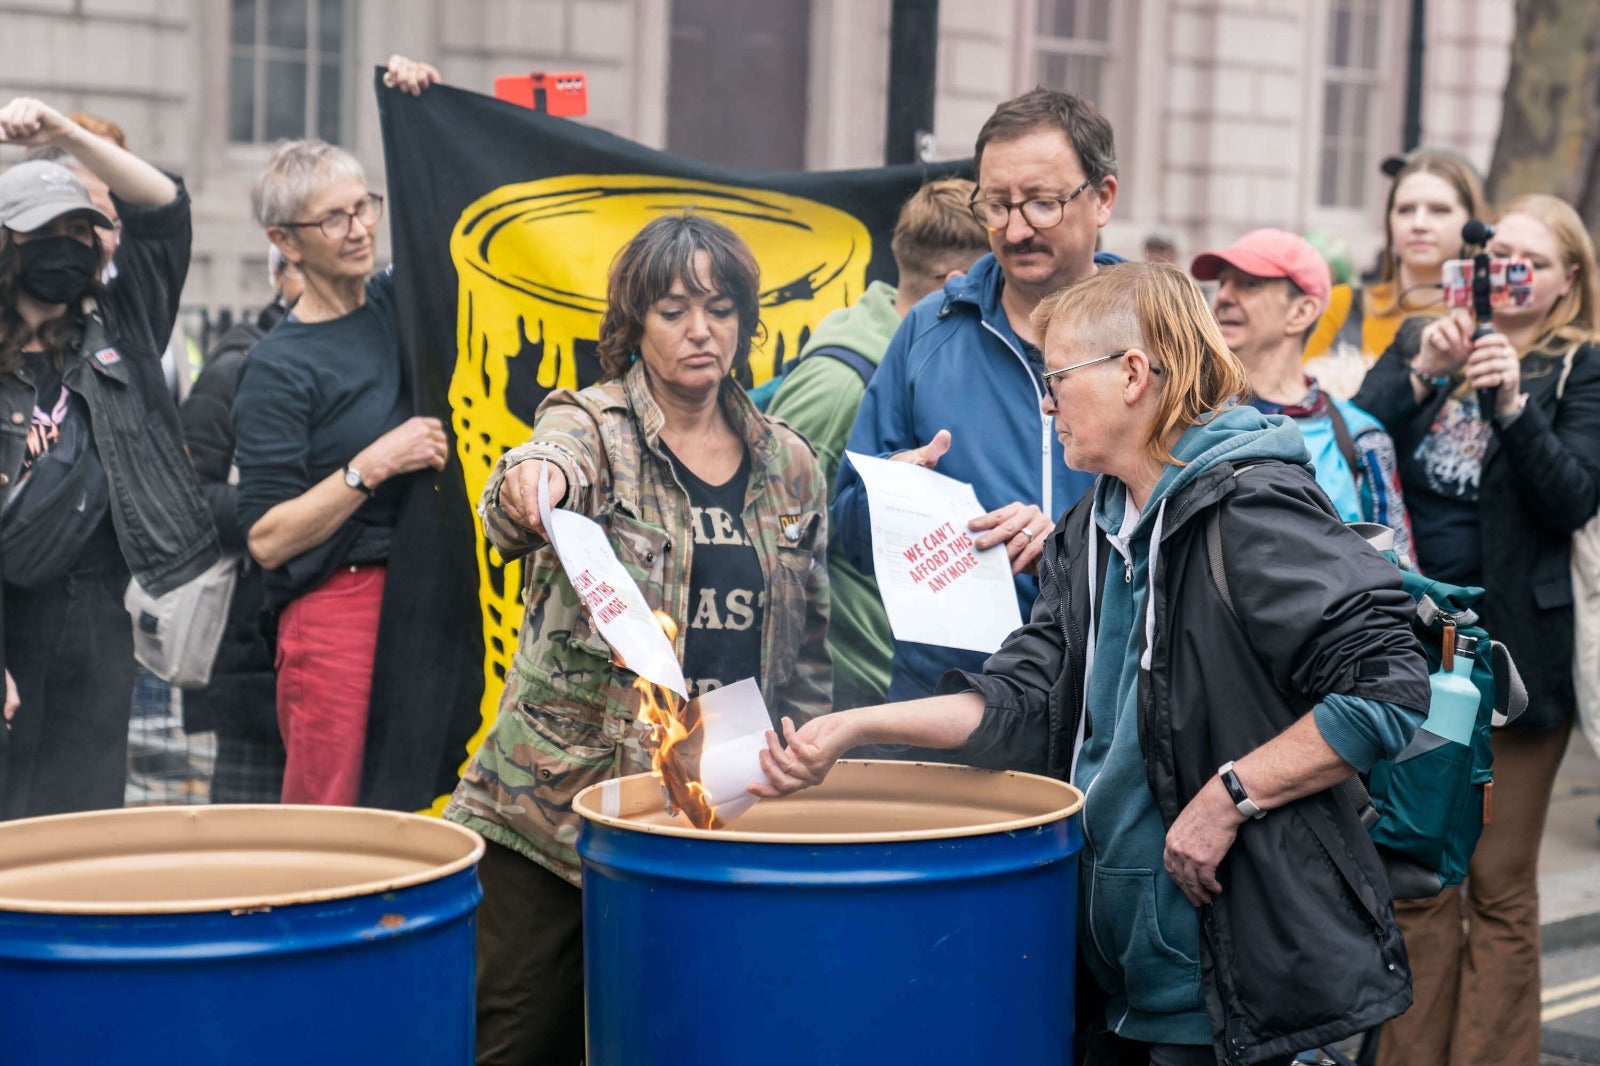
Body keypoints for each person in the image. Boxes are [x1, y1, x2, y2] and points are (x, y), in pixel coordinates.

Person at [756, 262, 1431, 1066]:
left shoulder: (1251, 507)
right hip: (1112, 986)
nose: (1045, 405)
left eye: (1058, 380)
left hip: (1217, 987)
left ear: (1134, 375)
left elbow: (1388, 688)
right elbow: (1024, 698)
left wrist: (1228, 798)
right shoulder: (1092, 525)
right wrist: (853, 728)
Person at [445, 213, 831, 1065]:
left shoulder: (791, 463)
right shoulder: (596, 426)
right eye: (674, 309)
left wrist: (802, 764)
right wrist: (531, 484)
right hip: (553, 817)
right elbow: (542, 461)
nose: (702, 330)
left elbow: (809, 651)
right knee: (512, 1043)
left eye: (721, 308)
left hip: (703, 818)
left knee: (673, 1040)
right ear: (633, 323)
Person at [1352, 193, 1600, 1066]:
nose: (1509, 276)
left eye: (1531, 262)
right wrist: (1423, 365)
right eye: (1499, 260)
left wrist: (1511, 405)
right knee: (1416, 876)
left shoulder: (1580, 369)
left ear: (1569, 279)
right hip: (1414, 652)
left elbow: (1572, 497)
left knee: (1497, 887)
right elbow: (1357, 431)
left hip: (1518, 665)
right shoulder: (1437, 340)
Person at [831, 87, 1117, 703]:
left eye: (1042, 205)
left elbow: (1206, 543)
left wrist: (1067, 555)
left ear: (1104, 199)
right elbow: (846, 532)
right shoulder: (927, 332)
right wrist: (892, 497)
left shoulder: (1160, 341)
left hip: (1110, 712)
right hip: (946, 706)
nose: (1015, 230)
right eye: (996, 205)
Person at [232, 55, 455, 807]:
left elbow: (459, 210)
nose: (359, 228)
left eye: (365, 206)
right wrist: (373, 464)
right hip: (337, 608)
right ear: (284, 241)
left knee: (423, 807)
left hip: (433, 595)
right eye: (334, 217)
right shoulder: (276, 365)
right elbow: (265, 537)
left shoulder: (401, 302)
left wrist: (418, 106)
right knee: (333, 814)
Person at [0, 98, 217, 818]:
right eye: (44, 232)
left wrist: (65, 133)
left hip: (96, 613)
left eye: (81, 230)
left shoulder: (119, 328)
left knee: (85, 827)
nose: (69, 245)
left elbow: (164, 211)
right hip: (9, 618)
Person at [766, 177, 987, 710]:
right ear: (956, 282)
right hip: (847, 701)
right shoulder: (839, 383)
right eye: (993, 281)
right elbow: (767, 540)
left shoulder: (930, 365)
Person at [1192, 228, 1413, 562]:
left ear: (1301, 311)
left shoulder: (1360, 438)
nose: (1222, 297)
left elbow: (1400, 572)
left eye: (1248, 284)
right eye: (1222, 283)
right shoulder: (1185, 416)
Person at [179, 246, 303, 804]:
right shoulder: (237, 366)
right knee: (246, 845)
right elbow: (187, 500)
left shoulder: (372, 359)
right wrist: (296, 511)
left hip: (331, 648)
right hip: (253, 661)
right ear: (277, 271)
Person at [1304, 148, 1489, 395]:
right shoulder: (1340, 304)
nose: (1419, 224)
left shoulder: (1489, 319)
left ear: (1472, 221)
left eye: (1439, 210)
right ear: (1389, 219)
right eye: (1405, 210)